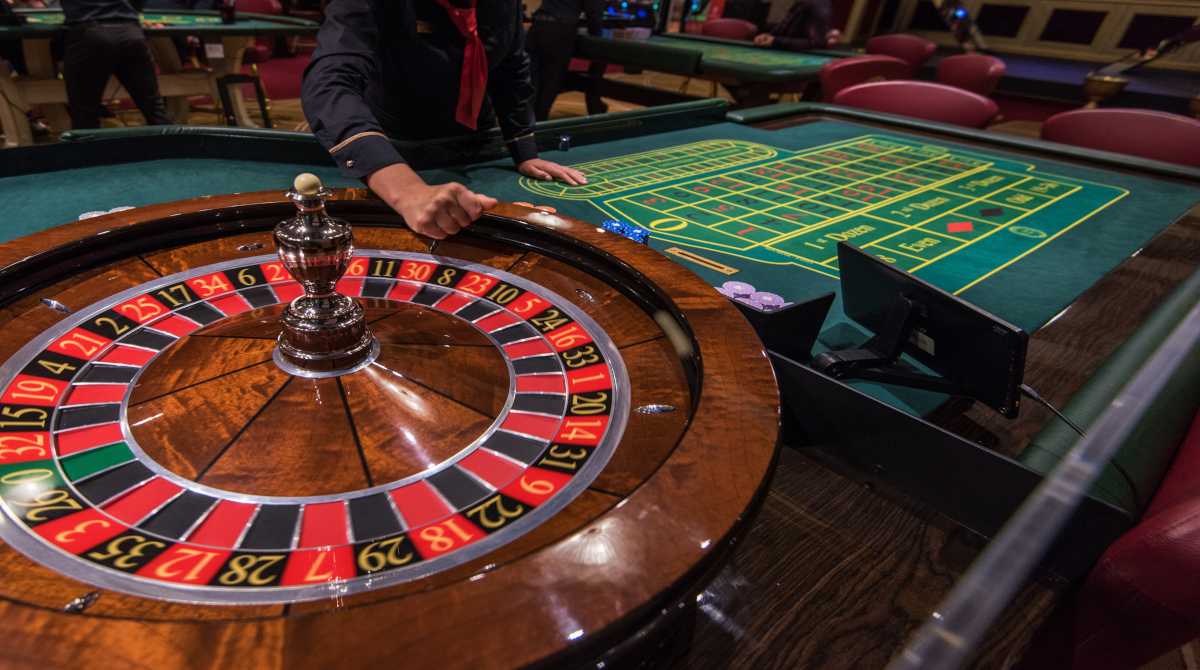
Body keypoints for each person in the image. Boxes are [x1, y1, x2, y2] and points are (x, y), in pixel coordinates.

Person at [302, 0, 587, 240]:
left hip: (475, 136)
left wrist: (523, 148)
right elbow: (329, 82)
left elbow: (511, 69)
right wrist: (405, 190)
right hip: (395, 141)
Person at [60, 0, 172, 129]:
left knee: (85, 114)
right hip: (131, 33)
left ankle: (88, 149)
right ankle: (174, 147)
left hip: (90, 35)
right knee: (154, 110)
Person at [525, 0, 603, 121]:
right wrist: (597, 35)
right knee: (550, 82)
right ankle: (539, 126)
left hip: (537, 26)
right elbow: (594, 13)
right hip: (559, 30)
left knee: (532, 82)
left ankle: (525, 127)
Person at [752, 0, 840, 52]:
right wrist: (768, 36)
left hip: (794, 57)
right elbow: (785, 28)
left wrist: (775, 41)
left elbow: (816, 43)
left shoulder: (817, 4)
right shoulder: (803, 3)